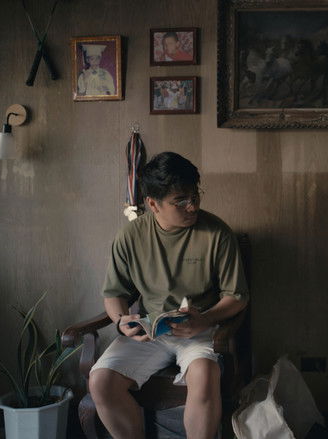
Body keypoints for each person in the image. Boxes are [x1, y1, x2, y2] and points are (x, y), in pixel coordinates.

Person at [89, 152, 249, 439]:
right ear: (153, 204)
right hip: (151, 330)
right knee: (101, 381)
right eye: (181, 201)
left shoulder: (217, 233)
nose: (193, 206)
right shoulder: (130, 236)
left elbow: (237, 296)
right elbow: (114, 294)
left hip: (200, 328)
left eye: (195, 196)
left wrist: (205, 320)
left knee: (204, 376)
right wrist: (121, 320)